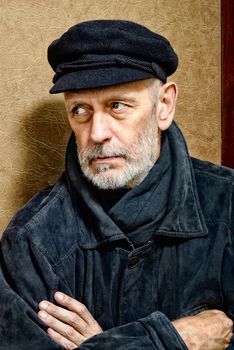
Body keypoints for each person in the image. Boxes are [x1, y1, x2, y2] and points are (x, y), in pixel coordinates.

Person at [0, 19, 233, 350]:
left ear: (164, 106)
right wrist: (170, 339)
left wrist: (99, 345)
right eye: (80, 110)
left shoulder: (227, 203)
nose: (96, 134)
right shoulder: (31, 240)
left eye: (117, 106)